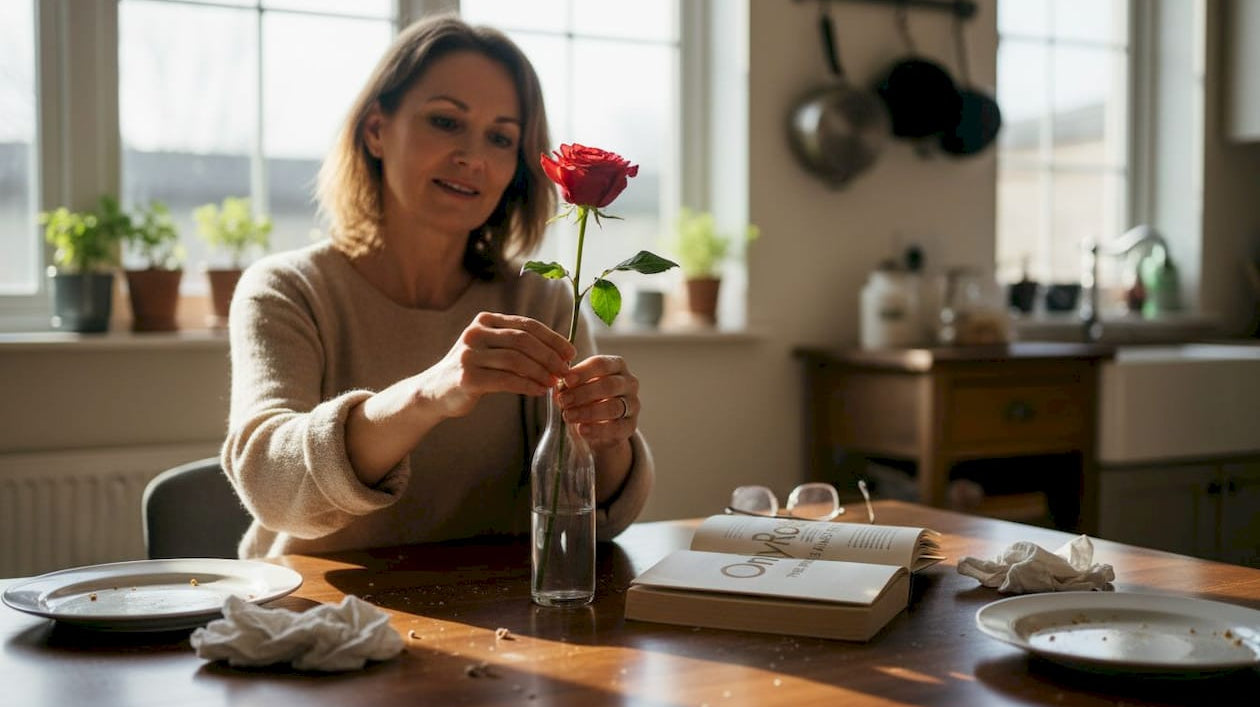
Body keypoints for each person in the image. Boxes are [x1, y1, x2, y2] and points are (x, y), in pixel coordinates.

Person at [221, 15, 654, 559]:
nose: (472, 157)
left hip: (503, 622)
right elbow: (269, 486)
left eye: (500, 137)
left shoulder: (540, 300)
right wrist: (428, 394)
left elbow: (595, 520)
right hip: (320, 621)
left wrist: (608, 436)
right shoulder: (287, 290)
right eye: (446, 122)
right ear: (377, 130)